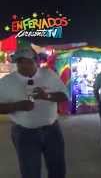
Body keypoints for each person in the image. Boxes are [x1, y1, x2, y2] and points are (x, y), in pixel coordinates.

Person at [0, 47, 68, 178]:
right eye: (20, 61)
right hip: (24, 133)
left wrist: (46, 96)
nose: (24, 65)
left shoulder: (49, 74)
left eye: (28, 61)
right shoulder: (6, 82)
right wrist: (17, 105)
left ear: (36, 61)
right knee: (30, 172)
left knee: (58, 169)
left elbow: (64, 96)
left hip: (52, 130)